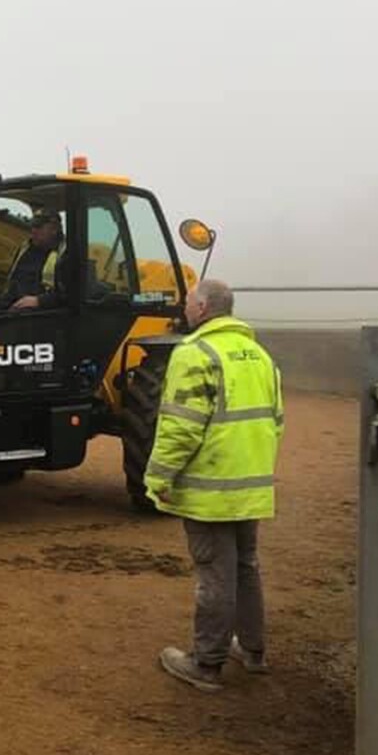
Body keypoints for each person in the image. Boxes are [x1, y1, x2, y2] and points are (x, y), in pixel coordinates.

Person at [145, 279, 284, 693]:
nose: (185, 309)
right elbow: (276, 419)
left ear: (203, 308)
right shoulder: (259, 355)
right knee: (246, 565)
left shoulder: (194, 353)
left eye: (189, 303)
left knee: (214, 575)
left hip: (211, 489)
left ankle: (206, 664)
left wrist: (158, 477)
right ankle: (254, 652)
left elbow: (180, 427)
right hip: (251, 484)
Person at [5, 211, 66, 311]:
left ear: (54, 229)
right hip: (15, 309)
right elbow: (14, 281)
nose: (33, 231)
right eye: (32, 226)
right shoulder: (26, 248)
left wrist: (39, 301)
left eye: (38, 227)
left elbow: (71, 294)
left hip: (45, 316)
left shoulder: (67, 254)